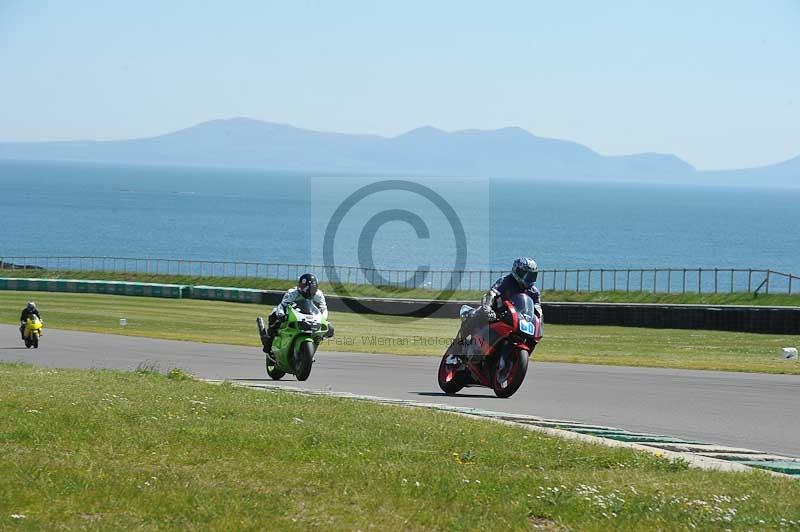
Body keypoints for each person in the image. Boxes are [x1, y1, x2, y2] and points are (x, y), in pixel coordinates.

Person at [458, 257, 542, 342]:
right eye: (525, 274)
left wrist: (538, 324)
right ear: (516, 271)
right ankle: (459, 343)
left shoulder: (534, 292)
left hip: (517, 321)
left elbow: (538, 311)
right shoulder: (505, 281)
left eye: (531, 276)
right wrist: (487, 309)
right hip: (496, 314)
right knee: (475, 314)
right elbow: (491, 294)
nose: (527, 279)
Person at [261, 273, 328, 354]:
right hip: (293, 314)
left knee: (329, 328)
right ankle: (268, 342)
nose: (308, 290)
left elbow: (323, 308)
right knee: (274, 315)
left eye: (311, 288)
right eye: (305, 287)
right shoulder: (292, 293)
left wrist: (323, 318)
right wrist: (281, 314)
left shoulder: (319, 294)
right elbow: (282, 305)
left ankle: (312, 346)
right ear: (300, 286)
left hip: (310, 315)